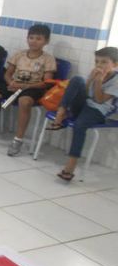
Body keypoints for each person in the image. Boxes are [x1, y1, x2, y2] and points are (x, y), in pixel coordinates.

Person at [0, 24, 56, 155]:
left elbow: (46, 83)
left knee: (24, 102)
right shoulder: (19, 54)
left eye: (38, 39)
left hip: (33, 87)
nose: (34, 41)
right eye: (31, 38)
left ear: (46, 41)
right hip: (14, 84)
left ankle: (18, 139)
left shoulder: (48, 59)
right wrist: (11, 83)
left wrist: (26, 86)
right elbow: (7, 74)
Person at [47, 47, 118, 181]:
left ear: (115, 64)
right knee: (77, 79)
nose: (99, 65)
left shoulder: (116, 80)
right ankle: (61, 112)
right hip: (85, 104)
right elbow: (84, 92)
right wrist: (90, 80)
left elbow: (99, 100)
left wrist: (98, 82)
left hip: (98, 111)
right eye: (97, 62)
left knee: (79, 125)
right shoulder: (95, 73)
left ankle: (71, 166)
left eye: (104, 62)